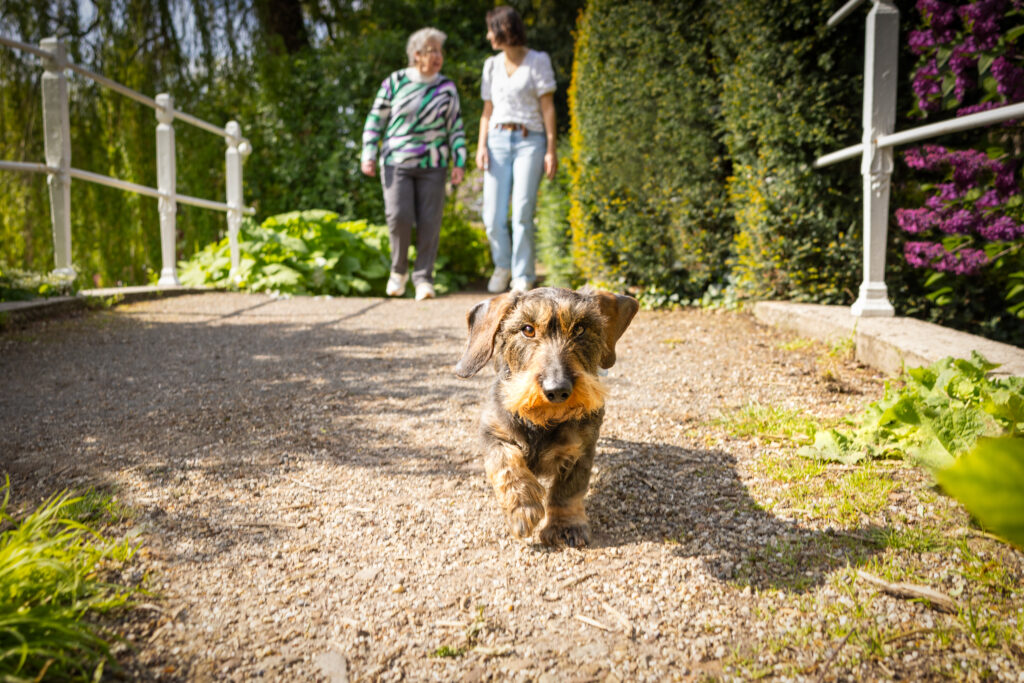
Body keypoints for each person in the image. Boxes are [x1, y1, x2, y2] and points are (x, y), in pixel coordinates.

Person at [361, 27, 467, 301]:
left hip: (434, 163)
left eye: (440, 51)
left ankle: (424, 279)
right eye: (432, 51)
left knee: (430, 221)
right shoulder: (395, 81)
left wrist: (460, 160)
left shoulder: (446, 88)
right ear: (416, 54)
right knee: (399, 216)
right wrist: (368, 152)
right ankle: (398, 272)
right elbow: (376, 119)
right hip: (397, 160)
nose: (438, 56)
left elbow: (455, 126)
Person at [476, 5, 557, 294]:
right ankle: (502, 265)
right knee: (492, 216)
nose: (488, 36)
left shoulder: (538, 61)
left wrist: (550, 148)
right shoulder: (491, 65)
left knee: (523, 210)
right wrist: (481, 145)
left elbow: (548, 108)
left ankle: (523, 274)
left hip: (530, 140)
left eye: (491, 29)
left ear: (503, 30)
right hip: (497, 140)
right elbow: (487, 110)